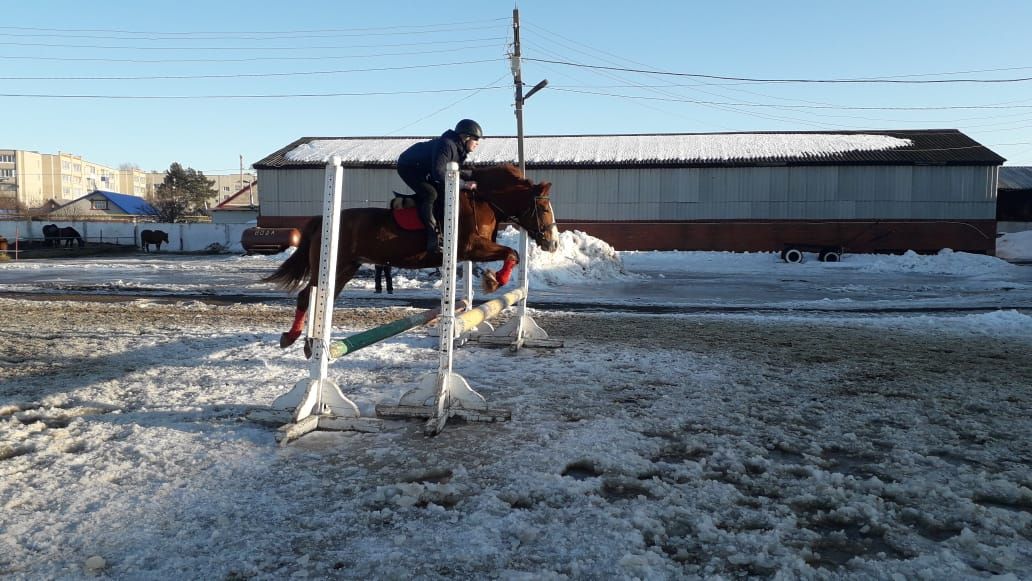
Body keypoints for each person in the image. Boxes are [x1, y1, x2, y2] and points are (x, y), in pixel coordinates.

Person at [396, 119, 483, 254]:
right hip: (408, 167)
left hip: (423, 168)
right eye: (476, 139)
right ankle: (432, 237)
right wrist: (464, 184)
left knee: (441, 192)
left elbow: (454, 170)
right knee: (431, 194)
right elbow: (439, 173)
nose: (478, 143)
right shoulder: (447, 145)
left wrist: (475, 174)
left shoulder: (458, 149)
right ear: (465, 137)